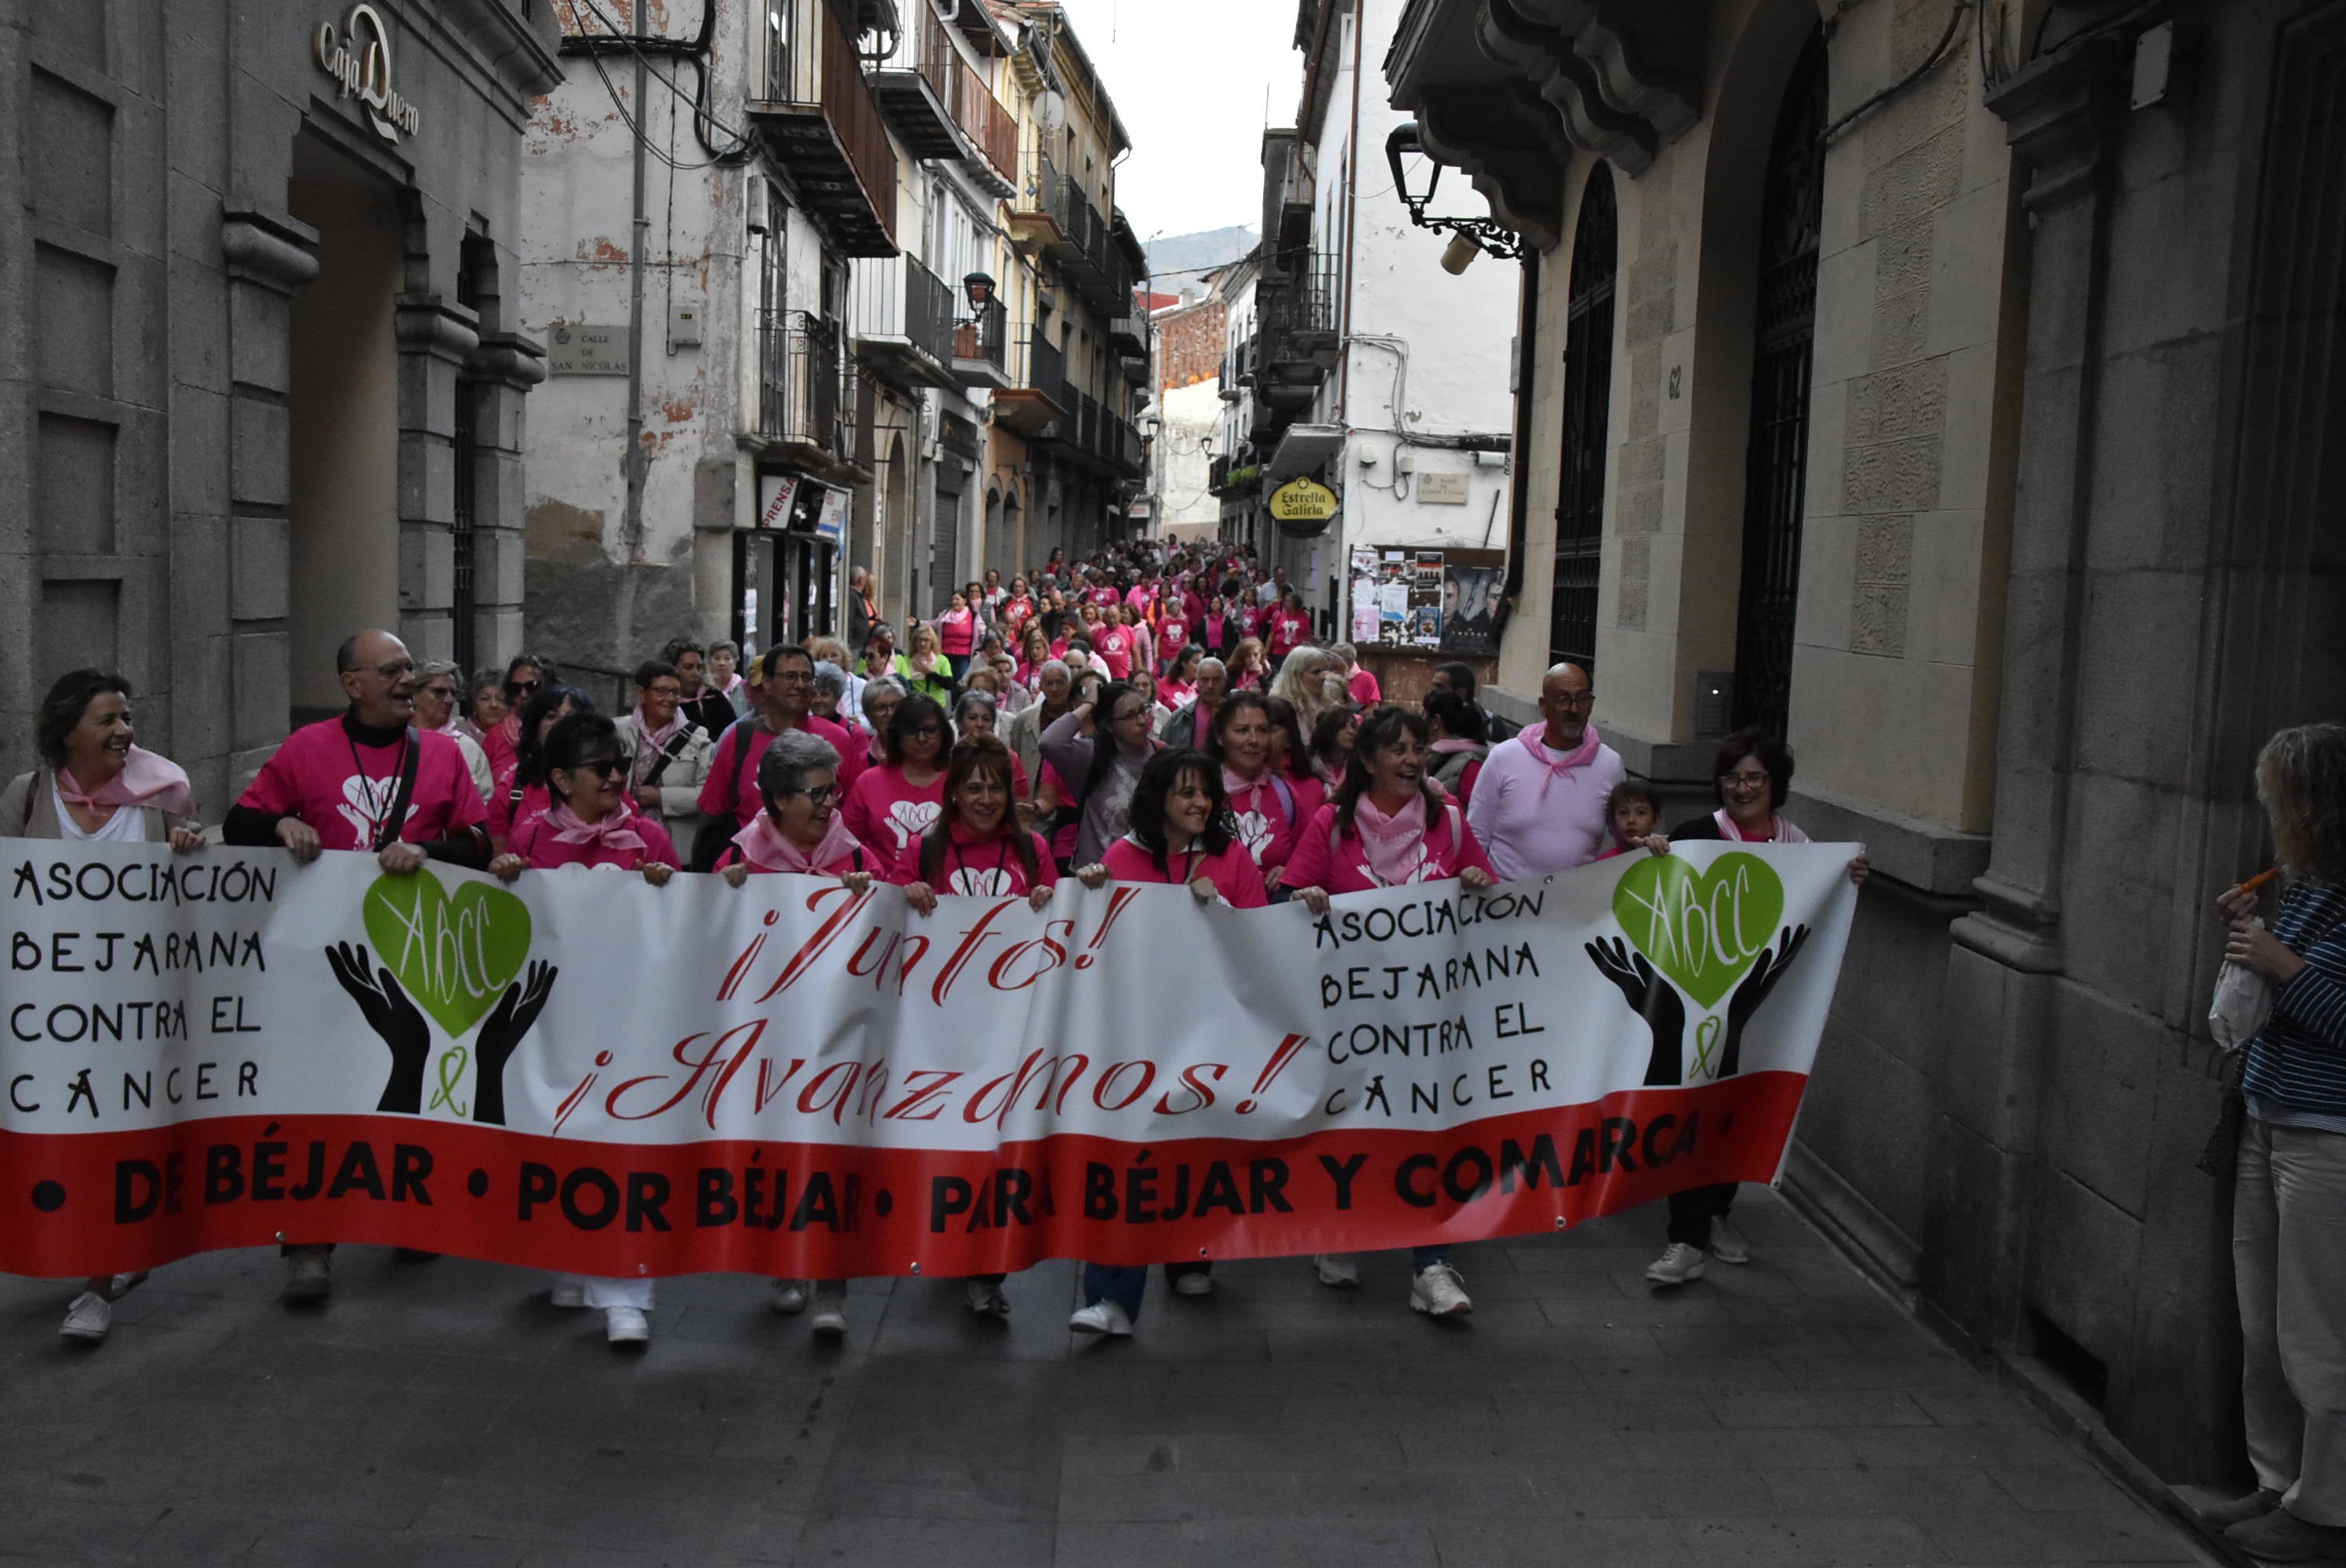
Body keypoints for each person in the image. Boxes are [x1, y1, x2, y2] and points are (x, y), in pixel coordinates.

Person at [224, 630, 490, 1304]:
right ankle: (308, 1243)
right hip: (322, 958)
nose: (408, 681)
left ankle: (408, 1215)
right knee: (315, 1097)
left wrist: (428, 851)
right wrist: (280, 826)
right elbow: (238, 825)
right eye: (392, 670)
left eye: (409, 669)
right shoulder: (305, 749)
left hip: (413, 954)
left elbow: (480, 843)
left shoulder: (443, 754)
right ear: (353, 684)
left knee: (407, 1084)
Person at [5, 670, 204, 1344]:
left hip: (134, 1009)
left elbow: (198, 893)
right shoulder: (26, 797)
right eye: (108, 720)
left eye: (127, 718)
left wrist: (190, 849)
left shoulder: (162, 796)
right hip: (49, 1012)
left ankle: (97, 1283)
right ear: (68, 731)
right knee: (62, 1137)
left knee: (119, 1135)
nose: (124, 731)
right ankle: (101, 1249)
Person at [1284, 706, 1498, 1316]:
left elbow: (1489, 891)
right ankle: (1339, 1231)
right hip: (1351, 1018)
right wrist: (1306, 898)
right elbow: (1289, 902)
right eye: (1399, 749)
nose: (1412, 760)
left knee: (1430, 1130)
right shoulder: (1331, 824)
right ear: (1368, 760)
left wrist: (1478, 881)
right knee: (1350, 1127)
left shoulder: (1448, 821)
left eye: (1419, 749)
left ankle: (1431, 1265)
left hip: (1431, 1017)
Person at [1645, 728, 1868, 1288]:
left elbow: (1814, 914)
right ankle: (1686, 1238)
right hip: (1700, 1006)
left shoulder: (1800, 848)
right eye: (1732, 778)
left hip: (1761, 1010)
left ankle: (1718, 1213)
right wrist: (1653, 856)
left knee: (1735, 1113)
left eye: (1754, 778)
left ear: (1775, 785)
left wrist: (1846, 879)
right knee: (1694, 1114)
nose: (1742, 788)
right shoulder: (1695, 837)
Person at [1067, 748, 1269, 1334]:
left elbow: (1262, 943)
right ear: (1159, 800)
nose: (1200, 803)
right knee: (1128, 1160)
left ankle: (1190, 1253)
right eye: (1187, 792)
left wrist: (1220, 910)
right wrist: (1091, 891)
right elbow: (1097, 947)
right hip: (1136, 1037)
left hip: (1210, 1034)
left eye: (1206, 792)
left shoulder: (1232, 859)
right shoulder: (1120, 858)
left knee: (1196, 1152)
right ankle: (1112, 1296)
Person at [488, 712, 675, 1345]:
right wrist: (507, 879)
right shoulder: (531, 837)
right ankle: (570, 1263)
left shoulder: (649, 837)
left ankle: (626, 1293)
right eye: (601, 767)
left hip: (632, 1023)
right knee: (563, 1140)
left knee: (624, 1148)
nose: (616, 776)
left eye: (621, 764)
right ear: (563, 779)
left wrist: (666, 889)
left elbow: (684, 926)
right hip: (558, 1026)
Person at [2208, 724, 2346, 1556]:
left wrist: (2280, 962)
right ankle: (2275, 1479)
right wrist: (2257, 935)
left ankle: (2325, 1510)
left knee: (2318, 1328)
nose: (2270, 818)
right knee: (2262, 1322)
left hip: (2328, 1136)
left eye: (2278, 801)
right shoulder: (2305, 887)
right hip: (2269, 1113)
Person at [693, 646, 858, 866]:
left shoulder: (838, 739)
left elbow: (857, 816)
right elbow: (712, 813)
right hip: (752, 871)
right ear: (767, 683)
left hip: (822, 872)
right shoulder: (739, 739)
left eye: (807, 677)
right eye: (790, 676)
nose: (800, 685)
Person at [1464, 662, 1625, 883]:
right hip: (1507, 899)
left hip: (1577, 900)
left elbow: (1627, 839)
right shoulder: (1505, 757)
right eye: (1562, 699)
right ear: (1543, 706)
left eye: (1582, 698)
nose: (1574, 709)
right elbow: (1475, 836)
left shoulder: (1610, 765)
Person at [1209, 691, 1320, 899]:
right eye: (1242, 730)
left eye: (1262, 730)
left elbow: (1306, 859)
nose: (1254, 740)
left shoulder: (1284, 793)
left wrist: (1290, 873)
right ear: (1219, 737)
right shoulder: (1202, 793)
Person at [1040, 681, 1162, 866]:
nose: (1142, 721)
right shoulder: (1089, 755)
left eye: (1143, 711)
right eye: (1130, 716)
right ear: (1109, 725)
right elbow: (1049, 742)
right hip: (1094, 873)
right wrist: (1089, 704)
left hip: (1145, 871)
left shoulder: (1160, 754)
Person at [841, 694, 951, 864]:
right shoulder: (869, 782)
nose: (922, 739)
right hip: (879, 880)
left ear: (943, 733)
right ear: (897, 736)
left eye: (930, 730)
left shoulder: (960, 780)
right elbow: (848, 844)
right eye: (912, 731)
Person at [623, 659, 713, 858]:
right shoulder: (619, 731)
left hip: (677, 851)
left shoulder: (698, 738)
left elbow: (708, 796)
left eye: (675, 692)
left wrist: (661, 796)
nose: (670, 699)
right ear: (641, 692)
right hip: (626, 847)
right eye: (662, 691)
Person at [489, 685, 595, 851]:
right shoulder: (509, 791)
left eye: (571, 717)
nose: (561, 724)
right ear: (535, 727)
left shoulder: (607, 785)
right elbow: (498, 861)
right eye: (551, 716)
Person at [412, 659, 495, 804]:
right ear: (414, 694)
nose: (449, 700)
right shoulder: (394, 741)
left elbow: (486, 805)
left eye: (453, 693)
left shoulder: (468, 749)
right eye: (439, 692)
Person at [481, 652, 553, 776]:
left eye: (532, 687)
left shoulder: (564, 734)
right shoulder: (496, 736)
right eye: (515, 688)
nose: (523, 694)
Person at [1423, 686, 1488, 811]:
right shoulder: (1429, 756)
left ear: (1436, 721)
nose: (1420, 720)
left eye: (1423, 714)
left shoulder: (1471, 765)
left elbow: (1476, 815)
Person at [1158, 657, 1227, 750]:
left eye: (1216, 680)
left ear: (1224, 682)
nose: (1210, 685)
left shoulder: (1234, 716)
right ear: (1197, 682)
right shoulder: (1179, 718)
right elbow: (1164, 753)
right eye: (1205, 680)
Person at [1595, 779, 1665, 859]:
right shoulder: (1605, 861)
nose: (1631, 820)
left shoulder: (1666, 852)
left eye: (1641, 812)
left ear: (1656, 820)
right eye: (1624, 812)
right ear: (1614, 819)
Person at [1308, 703, 1361, 787]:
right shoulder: (1311, 767)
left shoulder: (1358, 766)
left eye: (1353, 726)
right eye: (1342, 726)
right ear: (1328, 730)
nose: (1351, 731)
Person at [902, 623, 954, 703]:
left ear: (932, 643)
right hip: (914, 703)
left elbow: (949, 684)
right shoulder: (906, 660)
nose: (922, 643)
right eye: (920, 640)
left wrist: (930, 673)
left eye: (926, 640)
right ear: (915, 642)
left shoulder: (941, 660)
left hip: (937, 704)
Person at [936, 591, 979, 681]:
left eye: (957, 599)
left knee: (961, 679)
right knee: (947, 680)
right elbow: (934, 623)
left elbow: (981, 628)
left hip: (963, 655)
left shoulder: (973, 615)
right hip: (946, 653)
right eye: (953, 599)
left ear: (965, 601)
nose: (954, 602)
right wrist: (918, 623)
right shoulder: (945, 614)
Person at [706, 640, 748, 717]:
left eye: (727, 658)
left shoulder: (746, 687)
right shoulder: (703, 688)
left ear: (735, 663)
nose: (722, 663)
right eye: (717, 658)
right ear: (709, 662)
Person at [1335, 642, 1382, 706]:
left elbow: (1373, 706)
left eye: (1335, 659)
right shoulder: (1327, 676)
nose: (1331, 662)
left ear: (1348, 661)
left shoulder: (1366, 678)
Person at [1159, 646, 1201, 713]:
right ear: (1184, 664)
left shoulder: (1203, 686)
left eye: (1202, 663)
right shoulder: (1163, 683)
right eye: (1196, 662)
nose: (1200, 666)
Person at [848, 566, 876, 655]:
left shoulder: (858, 596)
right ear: (861, 580)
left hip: (860, 645)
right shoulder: (852, 596)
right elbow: (850, 619)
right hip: (854, 646)